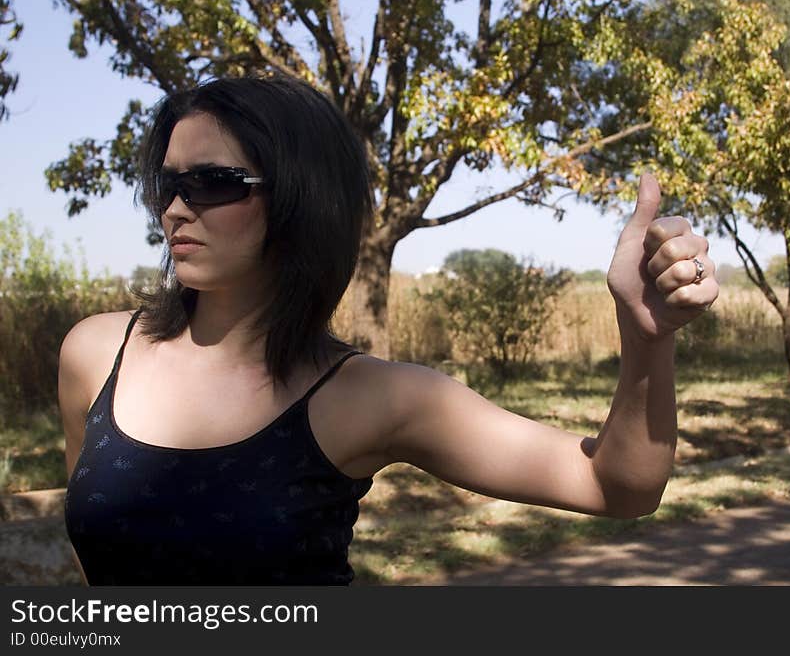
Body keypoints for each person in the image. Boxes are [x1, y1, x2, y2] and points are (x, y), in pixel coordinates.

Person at [59, 74, 719, 586]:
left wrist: (646, 339)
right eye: (169, 184)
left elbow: (617, 486)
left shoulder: (373, 397)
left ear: (300, 196)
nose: (175, 209)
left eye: (211, 183)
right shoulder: (93, 354)